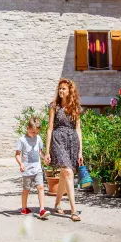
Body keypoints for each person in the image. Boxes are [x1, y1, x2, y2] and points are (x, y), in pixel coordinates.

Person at [45, 78, 83, 222]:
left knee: (63, 174)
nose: (60, 91)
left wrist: (80, 151)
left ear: (70, 91)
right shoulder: (54, 106)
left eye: (63, 89)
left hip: (72, 141)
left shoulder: (76, 108)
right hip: (58, 139)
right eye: (59, 88)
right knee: (68, 172)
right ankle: (73, 210)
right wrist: (47, 151)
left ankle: (57, 203)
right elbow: (49, 129)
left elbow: (78, 129)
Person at [15, 117, 50, 219]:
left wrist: (45, 158)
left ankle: (42, 210)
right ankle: (24, 208)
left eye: (36, 132)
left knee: (40, 187)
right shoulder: (22, 140)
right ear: (27, 128)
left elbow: (40, 152)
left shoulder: (38, 138)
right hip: (27, 170)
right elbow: (17, 155)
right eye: (33, 132)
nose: (35, 134)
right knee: (26, 189)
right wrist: (21, 164)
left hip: (37, 169)